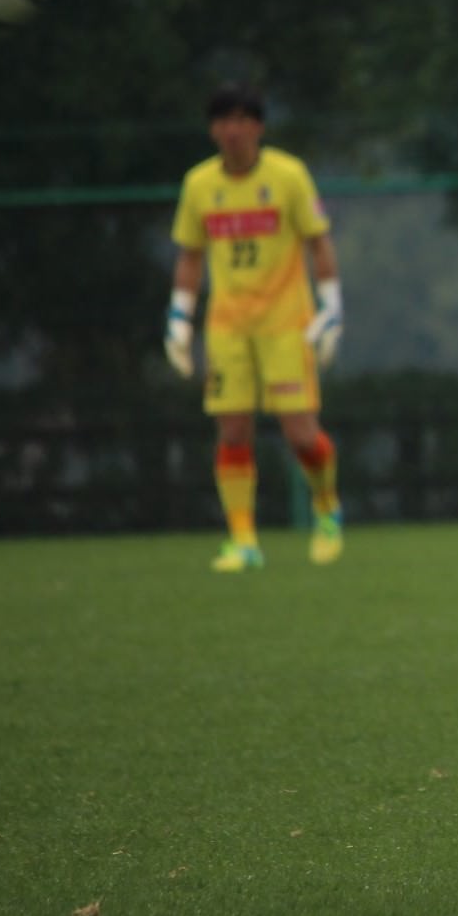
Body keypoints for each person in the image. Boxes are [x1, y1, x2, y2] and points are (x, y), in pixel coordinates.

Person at [165, 83, 346, 572]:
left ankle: (327, 507)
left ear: (259, 127)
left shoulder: (288, 176)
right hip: (227, 325)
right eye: (224, 120)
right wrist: (179, 318)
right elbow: (190, 255)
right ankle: (243, 540)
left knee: (301, 435)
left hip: (286, 322)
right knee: (232, 431)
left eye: (243, 119)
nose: (233, 130)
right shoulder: (199, 184)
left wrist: (331, 308)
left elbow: (319, 242)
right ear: (212, 129)